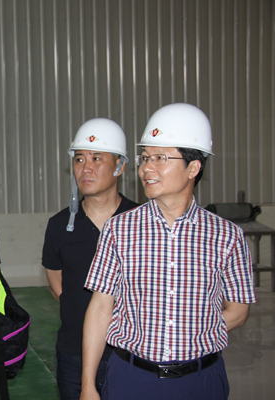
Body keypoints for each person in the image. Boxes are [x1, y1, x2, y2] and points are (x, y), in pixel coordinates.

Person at [81, 103, 256, 400]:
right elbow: (100, 309)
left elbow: (239, 310)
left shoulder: (227, 236)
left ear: (193, 168)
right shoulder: (119, 229)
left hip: (201, 381)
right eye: (145, 158)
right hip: (132, 378)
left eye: (160, 158)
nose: (146, 168)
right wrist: (88, 385)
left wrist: (189, 332)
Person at [42, 118, 138, 399]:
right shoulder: (59, 225)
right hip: (74, 353)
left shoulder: (141, 222)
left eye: (97, 158)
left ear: (119, 166)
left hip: (131, 353)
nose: (85, 168)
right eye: (79, 159)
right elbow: (57, 284)